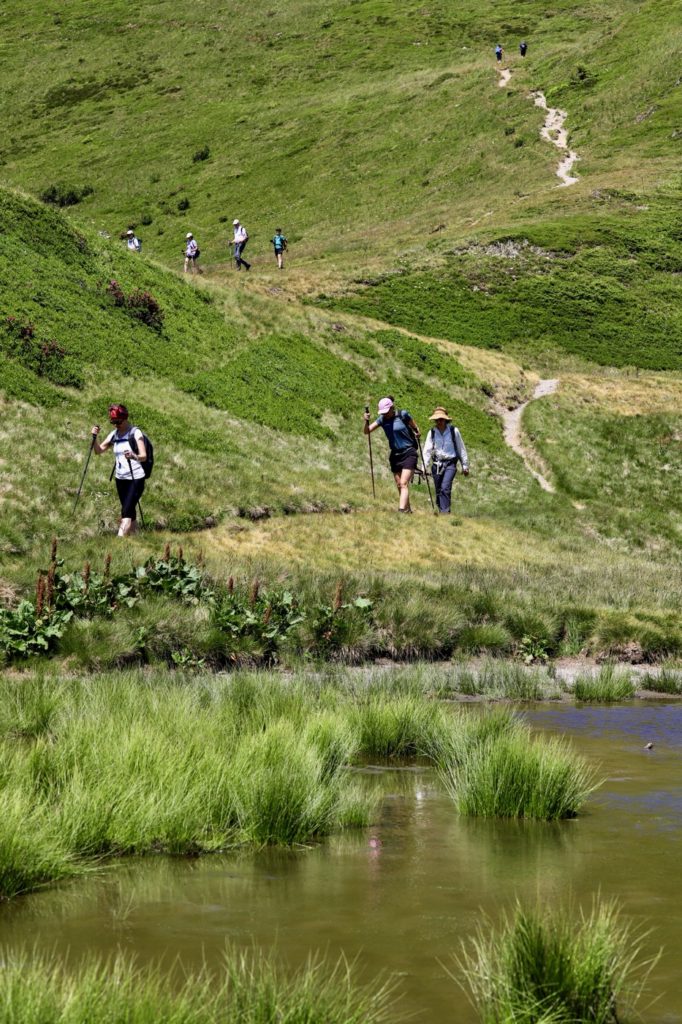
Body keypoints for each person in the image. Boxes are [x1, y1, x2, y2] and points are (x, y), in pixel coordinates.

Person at [91, 404, 147, 537]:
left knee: (126, 512)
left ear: (125, 418)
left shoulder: (135, 433)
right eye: (113, 422)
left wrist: (133, 456)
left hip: (136, 478)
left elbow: (143, 456)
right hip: (120, 478)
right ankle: (135, 537)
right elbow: (98, 451)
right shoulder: (114, 435)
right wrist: (94, 437)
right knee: (129, 510)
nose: (116, 425)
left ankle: (119, 541)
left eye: (118, 422)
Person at [364, 397, 420, 513]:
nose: (385, 415)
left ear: (391, 408)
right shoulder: (382, 420)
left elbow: (415, 427)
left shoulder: (403, 415)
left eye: (386, 412)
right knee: (399, 484)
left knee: (404, 483)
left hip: (409, 452)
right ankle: (407, 511)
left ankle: (400, 511)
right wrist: (366, 421)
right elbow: (367, 431)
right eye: (383, 413)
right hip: (395, 455)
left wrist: (417, 432)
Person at [422, 407, 469, 515]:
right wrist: (424, 466)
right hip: (436, 464)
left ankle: (445, 513)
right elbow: (427, 450)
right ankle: (440, 509)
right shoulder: (432, 432)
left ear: (446, 420)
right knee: (438, 489)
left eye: (441, 419)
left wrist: (465, 465)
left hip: (450, 464)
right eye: (437, 420)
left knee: (445, 488)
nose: (439, 422)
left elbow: (461, 448)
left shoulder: (454, 431)